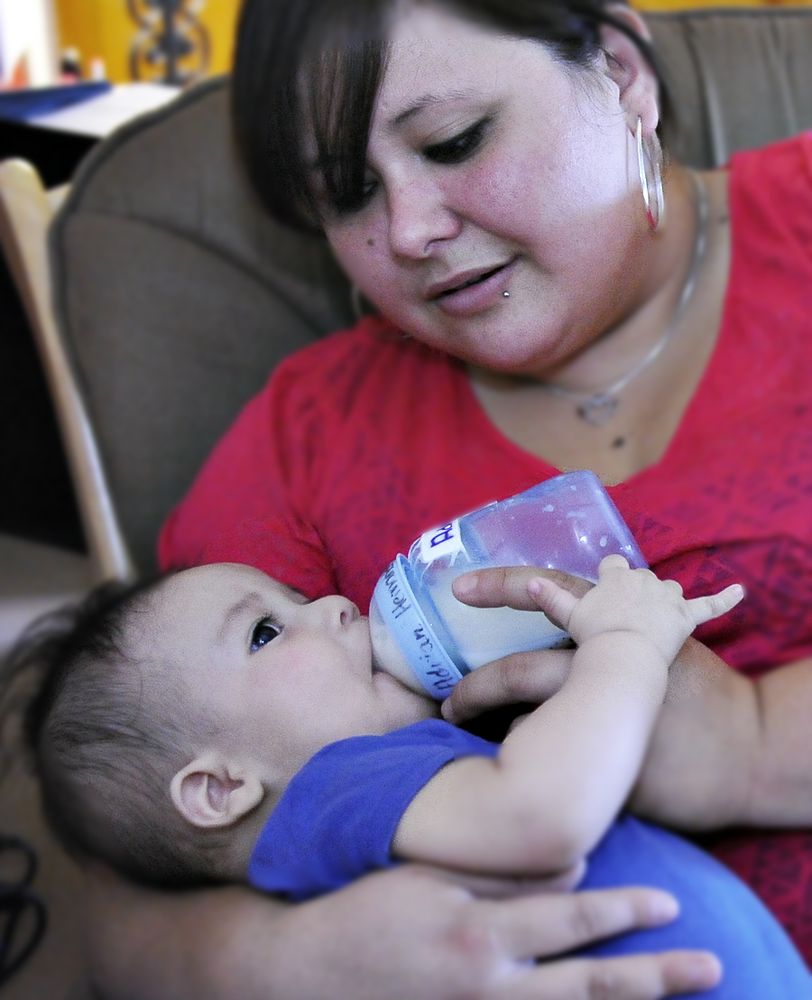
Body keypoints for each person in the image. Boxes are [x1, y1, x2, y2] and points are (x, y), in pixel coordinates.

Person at [88, 0, 812, 996]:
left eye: (453, 140)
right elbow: (106, 820)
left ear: (617, 69)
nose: (411, 229)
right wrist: (284, 960)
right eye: (346, 194)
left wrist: (752, 743)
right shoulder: (308, 441)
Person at [17, 555, 809, 995]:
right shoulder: (343, 782)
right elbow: (540, 817)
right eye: (265, 632)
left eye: (293, 596)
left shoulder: (340, 818)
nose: (330, 604)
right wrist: (627, 647)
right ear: (221, 789)